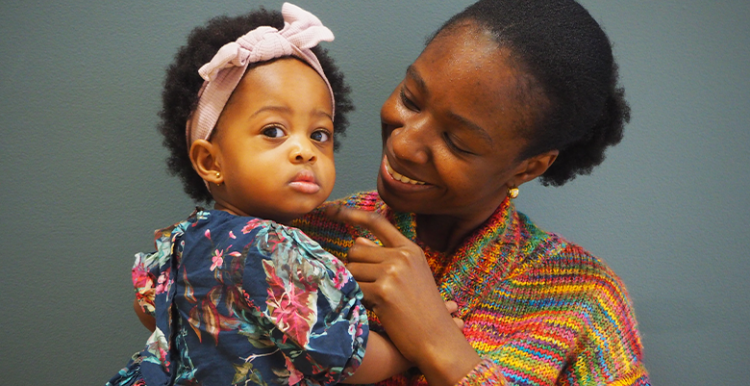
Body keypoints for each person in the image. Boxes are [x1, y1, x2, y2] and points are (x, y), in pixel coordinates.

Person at [294, 0, 651, 385]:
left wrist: (440, 347)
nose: (404, 144)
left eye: (457, 141)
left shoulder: (585, 301)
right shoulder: (298, 239)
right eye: (411, 99)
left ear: (528, 166)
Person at [108, 4, 415, 385]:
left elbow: (147, 310)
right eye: (273, 131)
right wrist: (409, 350)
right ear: (210, 161)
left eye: (319, 134)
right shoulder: (275, 249)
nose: (304, 150)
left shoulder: (182, 238)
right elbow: (345, 358)